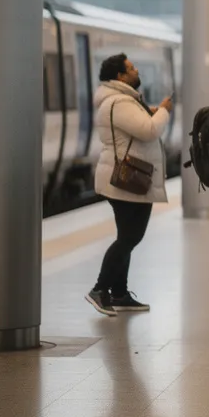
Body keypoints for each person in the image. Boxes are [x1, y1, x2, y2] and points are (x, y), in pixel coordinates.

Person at [85, 53, 172, 316]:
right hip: (125, 178)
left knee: (129, 237)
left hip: (133, 178)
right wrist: (164, 111)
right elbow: (148, 130)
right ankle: (100, 289)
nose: (137, 71)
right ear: (121, 77)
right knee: (129, 237)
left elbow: (139, 126)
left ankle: (120, 293)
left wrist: (153, 113)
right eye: (132, 68)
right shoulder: (119, 101)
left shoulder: (124, 100)